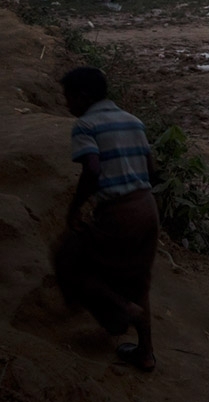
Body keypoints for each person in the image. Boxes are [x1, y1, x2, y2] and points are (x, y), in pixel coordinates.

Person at [53, 67, 159, 372]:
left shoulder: (85, 125)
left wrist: (74, 209)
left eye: (68, 97)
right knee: (140, 280)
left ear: (83, 96)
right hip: (147, 207)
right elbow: (152, 171)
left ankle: (124, 311)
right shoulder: (133, 120)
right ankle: (146, 353)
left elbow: (92, 170)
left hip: (119, 211)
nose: (66, 104)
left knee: (71, 260)